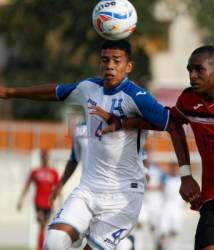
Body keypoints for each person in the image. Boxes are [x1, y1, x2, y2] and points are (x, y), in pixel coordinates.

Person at [0, 39, 197, 250]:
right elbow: (55, 92)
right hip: (88, 188)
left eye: (116, 60)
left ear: (128, 66)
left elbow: (173, 125)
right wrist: (11, 93)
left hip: (123, 196)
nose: (110, 65)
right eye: (105, 60)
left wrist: (186, 174)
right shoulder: (88, 88)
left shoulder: (137, 96)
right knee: (54, 241)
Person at [91, 45, 214, 250]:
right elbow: (170, 123)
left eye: (199, 69)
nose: (192, 76)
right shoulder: (188, 100)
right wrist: (123, 123)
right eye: (189, 70)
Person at [17, 149, 59, 250]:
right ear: (41, 157)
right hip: (39, 202)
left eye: (46, 156)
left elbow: (58, 187)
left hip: (49, 204)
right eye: (43, 156)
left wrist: (61, 202)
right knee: (41, 223)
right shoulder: (35, 172)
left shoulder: (53, 172)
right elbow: (27, 185)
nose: (45, 158)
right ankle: (40, 247)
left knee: (45, 227)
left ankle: (43, 246)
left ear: (48, 158)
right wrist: (21, 200)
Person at [158, 162, 185, 250]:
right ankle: (162, 246)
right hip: (166, 207)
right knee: (163, 231)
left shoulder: (182, 180)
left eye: (175, 168)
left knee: (174, 231)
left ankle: (172, 247)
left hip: (177, 208)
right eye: (172, 168)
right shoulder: (166, 178)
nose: (174, 170)